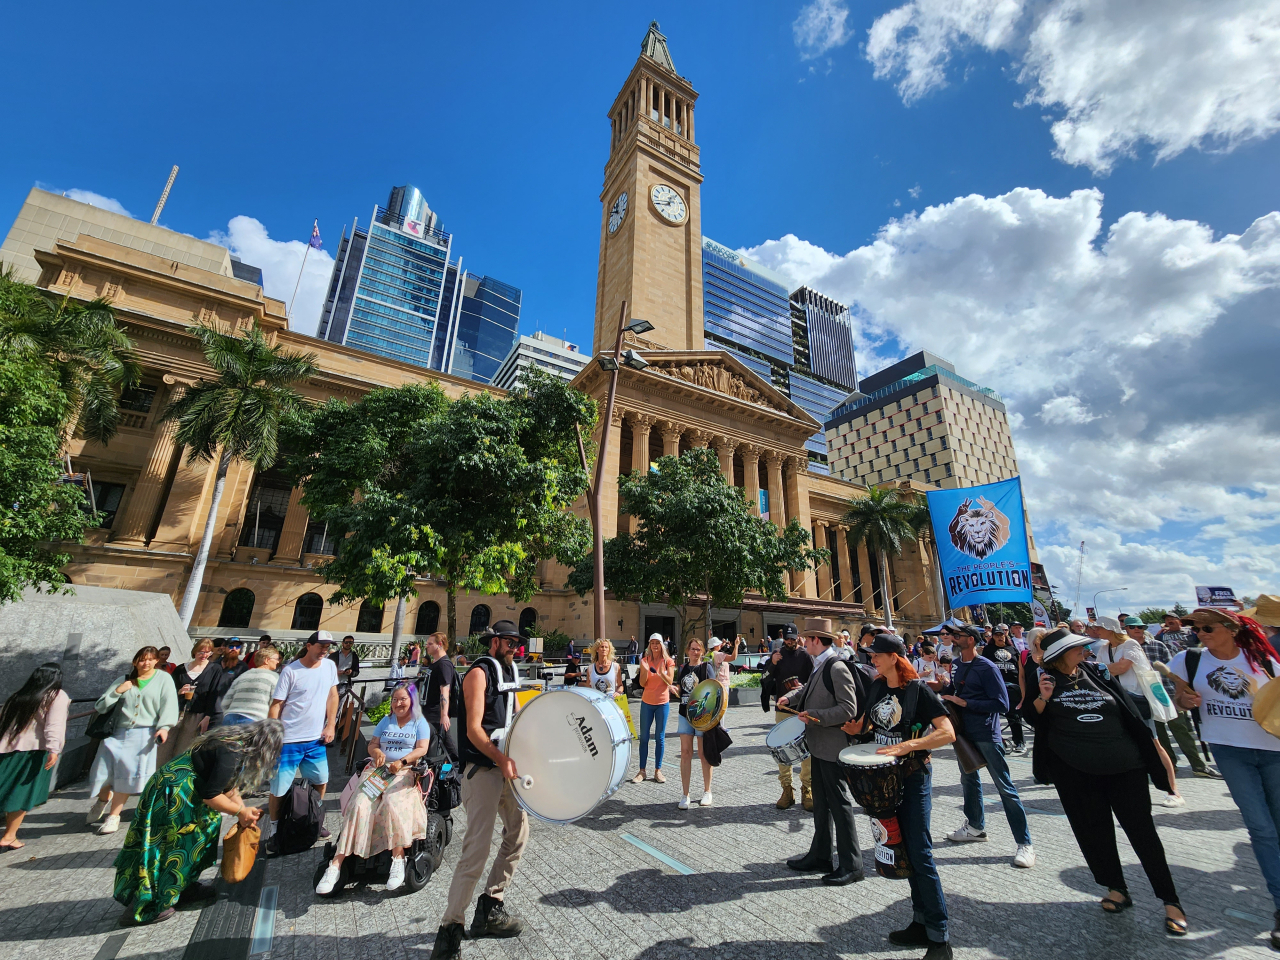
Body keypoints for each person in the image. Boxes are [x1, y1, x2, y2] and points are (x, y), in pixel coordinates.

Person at [1025, 629, 1187, 936]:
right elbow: (1031, 718)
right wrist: (1043, 699)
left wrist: (1150, 747)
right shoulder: (1043, 679)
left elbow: (1126, 709)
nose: (1085, 650)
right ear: (1061, 655)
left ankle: (1171, 900)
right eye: (1077, 648)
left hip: (1124, 765)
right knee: (1094, 831)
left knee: (1143, 833)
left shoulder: (1097, 671)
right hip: (1075, 770)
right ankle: (1117, 888)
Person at [1170, 607, 1280, 948]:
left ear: (1232, 629)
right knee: (1260, 827)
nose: (1199, 633)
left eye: (1207, 627)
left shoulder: (1264, 661)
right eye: (1195, 628)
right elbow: (1177, 701)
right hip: (1229, 751)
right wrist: (1184, 700)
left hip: (1273, 749)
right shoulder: (1185, 661)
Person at [844, 634, 956, 959]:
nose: (871, 659)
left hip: (913, 776)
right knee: (903, 848)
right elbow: (868, 727)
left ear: (894, 656)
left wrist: (908, 745)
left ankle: (940, 940)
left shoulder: (917, 691)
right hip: (883, 780)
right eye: (870, 654)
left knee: (920, 853)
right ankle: (920, 923)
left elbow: (947, 732)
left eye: (876, 654)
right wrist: (854, 730)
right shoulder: (877, 687)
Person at [113, 720, 281, 926]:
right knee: (173, 847)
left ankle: (182, 887)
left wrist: (242, 811)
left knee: (199, 837)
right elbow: (211, 796)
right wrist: (239, 811)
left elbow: (227, 785)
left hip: (179, 787)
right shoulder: (231, 752)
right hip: (174, 793)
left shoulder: (233, 742)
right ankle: (146, 905)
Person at [430, 621, 527, 960]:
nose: (514, 646)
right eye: (509, 641)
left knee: (518, 835)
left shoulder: (510, 671)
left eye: (517, 642)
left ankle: (490, 908)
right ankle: (449, 933)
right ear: (494, 642)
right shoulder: (478, 673)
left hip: (504, 768)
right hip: (482, 771)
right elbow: (472, 730)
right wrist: (501, 758)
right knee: (476, 852)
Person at [316, 683, 431, 894]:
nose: (398, 703)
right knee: (359, 804)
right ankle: (336, 864)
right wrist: (376, 751)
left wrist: (403, 762)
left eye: (403, 699)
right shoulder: (386, 721)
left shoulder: (419, 723)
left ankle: (398, 858)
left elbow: (422, 749)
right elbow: (372, 744)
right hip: (379, 770)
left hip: (404, 771)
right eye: (395, 699)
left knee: (392, 802)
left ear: (412, 701)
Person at [941, 625, 1035, 868]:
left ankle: (1025, 843)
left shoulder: (987, 666)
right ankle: (975, 826)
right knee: (969, 780)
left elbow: (1002, 703)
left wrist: (964, 701)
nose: (953, 639)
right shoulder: (957, 665)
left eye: (958, 636)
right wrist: (941, 689)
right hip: (963, 733)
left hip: (986, 733)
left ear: (970, 640)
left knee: (1004, 787)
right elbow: (955, 690)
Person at [778, 618, 863, 886]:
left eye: (806, 638)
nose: (802, 641)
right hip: (819, 747)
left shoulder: (836, 666)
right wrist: (790, 698)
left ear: (816, 640)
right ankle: (821, 855)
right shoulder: (821, 664)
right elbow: (810, 689)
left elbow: (848, 709)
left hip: (833, 748)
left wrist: (813, 715)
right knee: (823, 806)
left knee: (840, 805)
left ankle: (852, 864)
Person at [1094, 616, 1184, 806]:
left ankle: (1173, 790)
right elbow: (1099, 671)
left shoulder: (1130, 645)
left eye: (1099, 628)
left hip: (1137, 699)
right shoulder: (1105, 648)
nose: (1096, 631)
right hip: (1117, 700)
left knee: (1154, 743)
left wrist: (1105, 669)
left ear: (1109, 629)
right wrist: (1106, 669)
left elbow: (1118, 668)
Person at [88, 646, 179, 835]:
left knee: (126, 776)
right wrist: (118, 691)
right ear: (135, 661)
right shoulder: (124, 679)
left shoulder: (163, 679)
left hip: (143, 734)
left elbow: (169, 703)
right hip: (116, 733)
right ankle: (103, 799)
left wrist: (164, 727)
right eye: (142, 659)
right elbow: (101, 705)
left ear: (156, 661)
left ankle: (114, 816)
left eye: (150, 659)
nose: (146, 663)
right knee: (102, 771)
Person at [267, 630, 339, 852]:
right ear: (309, 646)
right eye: (320, 646)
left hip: (315, 739)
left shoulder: (329, 666)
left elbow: (332, 695)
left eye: (327, 646)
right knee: (279, 787)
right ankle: (275, 828)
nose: (324, 650)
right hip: (289, 740)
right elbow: (277, 704)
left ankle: (313, 819)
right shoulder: (291, 671)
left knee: (320, 780)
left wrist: (330, 725)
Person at [0, 663, 70, 850]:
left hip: (6, 750)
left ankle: (9, 835)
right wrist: (54, 750)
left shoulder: (19, 696)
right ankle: (9, 835)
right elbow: (54, 725)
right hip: (33, 752)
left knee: (6, 789)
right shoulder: (57, 696)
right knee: (21, 794)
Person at [1139, 619, 1217, 778]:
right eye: (1131, 627)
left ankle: (1198, 765)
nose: (1136, 629)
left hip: (1167, 693)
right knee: (1159, 734)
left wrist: (1177, 693)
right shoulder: (1125, 649)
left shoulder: (1157, 645)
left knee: (1181, 730)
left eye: (1140, 626)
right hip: (1146, 697)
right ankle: (1170, 765)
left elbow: (1172, 669)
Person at [762, 623, 814, 810]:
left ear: (797, 637)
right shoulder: (777, 655)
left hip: (802, 709)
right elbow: (765, 678)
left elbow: (812, 680)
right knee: (782, 749)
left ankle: (807, 789)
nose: (790, 642)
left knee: (806, 750)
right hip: (782, 710)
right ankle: (786, 789)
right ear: (783, 637)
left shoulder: (805, 656)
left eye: (793, 638)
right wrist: (773, 663)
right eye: (787, 638)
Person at [158, 639, 223, 764]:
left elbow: (213, 694)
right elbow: (168, 691)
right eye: (201, 652)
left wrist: (208, 716)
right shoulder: (181, 669)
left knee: (184, 747)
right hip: (176, 712)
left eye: (207, 652)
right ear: (195, 652)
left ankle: (175, 777)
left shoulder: (215, 669)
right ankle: (157, 775)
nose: (204, 655)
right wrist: (179, 691)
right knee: (165, 745)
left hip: (197, 714)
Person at [675, 637, 716, 809]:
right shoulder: (683, 668)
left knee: (702, 752)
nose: (694, 652)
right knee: (685, 752)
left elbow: (715, 690)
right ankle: (685, 794)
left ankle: (707, 791)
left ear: (702, 652)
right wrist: (674, 689)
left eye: (698, 649)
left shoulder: (707, 668)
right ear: (687, 651)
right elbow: (680, 689)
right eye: (692, 649)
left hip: (702, 716)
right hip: (685, 713)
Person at [632, 633, 675, 783]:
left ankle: (658, 770)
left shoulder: (668, 661)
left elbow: (669, 680)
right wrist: (644, 670)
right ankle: (642, 771)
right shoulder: (645, 660)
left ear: (662, 645)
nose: (655, 646)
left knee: (659, 737)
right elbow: (643, 683)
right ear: (649, 645)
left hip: (662, 703)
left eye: (657, 643)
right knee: (643, 737)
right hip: (647, 703)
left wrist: (659, 671)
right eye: (652, 643)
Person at [982, 625, 1026, 755]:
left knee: (1014, 715)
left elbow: (1020, 667)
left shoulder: (1012, 649)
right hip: (996, 687)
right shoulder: (988, 650)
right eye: (997, 635)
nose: (1000, 637)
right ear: (993, 636)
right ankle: (998, 741)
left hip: (1012, 686)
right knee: (995, 716)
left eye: (1002, 635)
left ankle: (1019, 741)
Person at [422, 632, 459, 763]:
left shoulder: (444, 664)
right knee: (435, 739)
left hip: (435, 712)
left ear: (440, 645)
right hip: (428, 709)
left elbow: (445, 690)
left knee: (445, 740)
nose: (427, 646)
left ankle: (456, 765)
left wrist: (444, 714)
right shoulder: (436, 663)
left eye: (430, 644)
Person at [220, 645, 282, 726]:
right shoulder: (273, 677)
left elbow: (225, 702)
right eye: (276, 659)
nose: (278, 662)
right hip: (254, 720)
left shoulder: (243, 676)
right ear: (267, 660)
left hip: (230, 717)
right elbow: (274, 703)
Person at [211, 638, 250, 725]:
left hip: (226, 711)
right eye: (231, 646)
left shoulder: (242, 667)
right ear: (225, 648)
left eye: (237, 646)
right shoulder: (214, 664)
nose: (234, 649)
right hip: (207, 709)